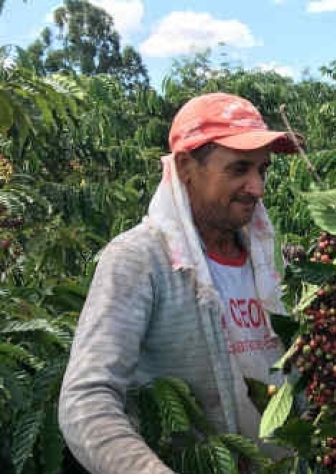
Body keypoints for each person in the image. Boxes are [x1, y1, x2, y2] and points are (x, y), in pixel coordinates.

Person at [59, 92, 299, 474]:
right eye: (239, 169)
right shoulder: (140, 260)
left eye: (262, 170)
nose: (257, 187)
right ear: (186, 166)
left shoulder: (268, 259)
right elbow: (86, 401)